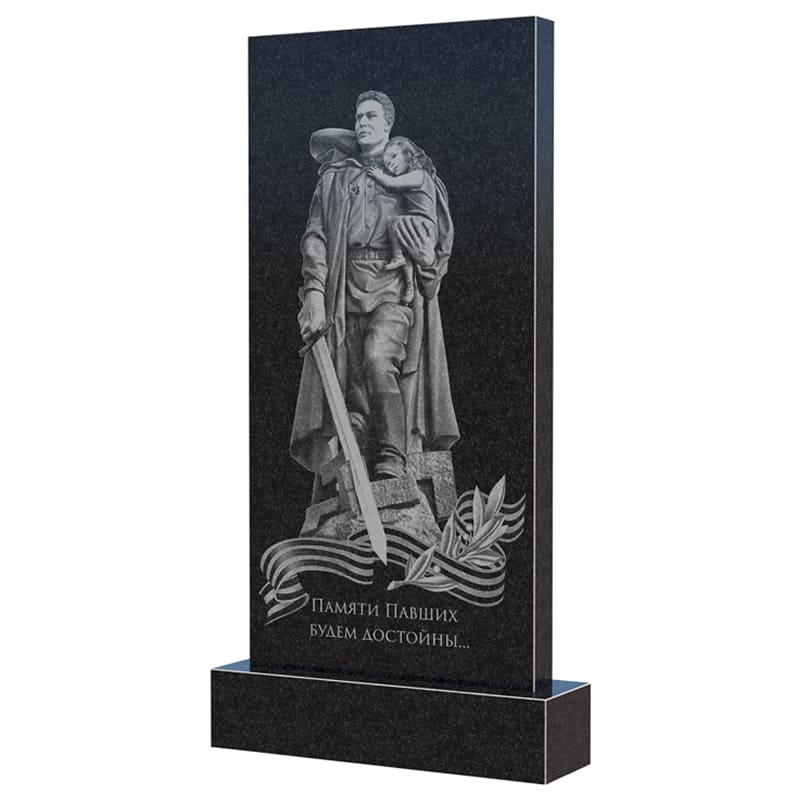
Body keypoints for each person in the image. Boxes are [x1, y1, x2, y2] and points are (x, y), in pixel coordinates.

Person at [291, 91, 458, 494]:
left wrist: (426, 258)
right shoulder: (336, 178)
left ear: (388, 124)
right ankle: (359, 457)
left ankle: (392, 455)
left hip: (392, 285)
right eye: (358, 117)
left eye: (370, 117)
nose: (362, 123)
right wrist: (314, 290)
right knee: (352, 384)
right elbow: (315, 237)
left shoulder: (412, 175)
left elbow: (435, 244)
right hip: (343, 289)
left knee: (379, 359)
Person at [366, 136, 438, 305]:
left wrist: (377, 175)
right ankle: (409, 285)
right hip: (414, 223)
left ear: (409, 154)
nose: (390, 164)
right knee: (407, 252)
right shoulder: (411, 177)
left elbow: (391, 183)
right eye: (387, 162)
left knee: (394, 222)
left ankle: (397, 256)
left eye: (394, 156)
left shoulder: (419, 175)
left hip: (423, 223)